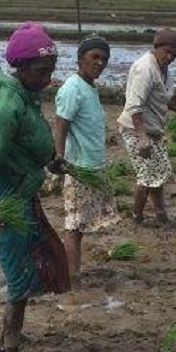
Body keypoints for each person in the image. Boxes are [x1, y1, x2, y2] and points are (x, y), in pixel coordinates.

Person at [0, 22, 70, 352]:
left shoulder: (26, 98)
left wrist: (51, 161)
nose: (48, 79)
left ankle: (10, 334)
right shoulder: (6, 108)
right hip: (5, 198)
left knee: (30, 264)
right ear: (22, 67)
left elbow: (29, 144)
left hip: (24, 192)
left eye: (51, 71)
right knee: (18, 269)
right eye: (42, 71)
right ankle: (9, 342)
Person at [50, 34, 121, 286]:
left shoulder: (89, 86)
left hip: (92, 165)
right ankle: (71, 276)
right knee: (74, 226)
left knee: (79, 227)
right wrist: (58, 157)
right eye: (94, 57)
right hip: (78, 167)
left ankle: (72, 272)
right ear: (80, 59)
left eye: (104, 59)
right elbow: (61, 124)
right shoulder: (72, 88)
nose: (100, 63)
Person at [117, 28, 176, 225]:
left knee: (159, 172)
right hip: (136, 129)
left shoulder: (162, 68)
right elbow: (134, 105)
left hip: (153, 129)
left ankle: (160, 212)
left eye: (175, 54)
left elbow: (163, 97)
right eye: (167, 52)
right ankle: (136, 217)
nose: (170, 57)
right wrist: (142, 136)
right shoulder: (145, 68)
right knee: (147, 176)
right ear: (157, 47)